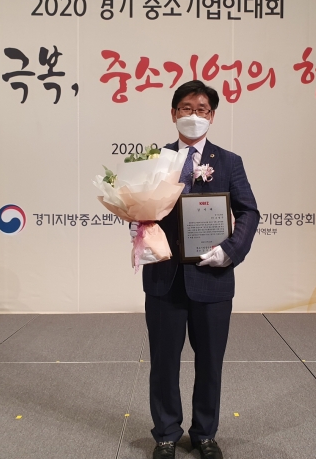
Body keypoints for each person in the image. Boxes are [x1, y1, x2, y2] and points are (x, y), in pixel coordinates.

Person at [132, 80, 259, 459]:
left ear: (212, 116)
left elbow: (249, 211)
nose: (194, 115)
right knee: (163, 362)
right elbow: (139, 207)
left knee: (210, 363)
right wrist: (138, 227)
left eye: (201, 109)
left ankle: (205, 434)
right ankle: (166, 434)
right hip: (164, 278)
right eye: (186, 108)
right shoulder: (154, 160)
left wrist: (230, 252)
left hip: (213, 278)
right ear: (173, 113)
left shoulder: (229, 162)